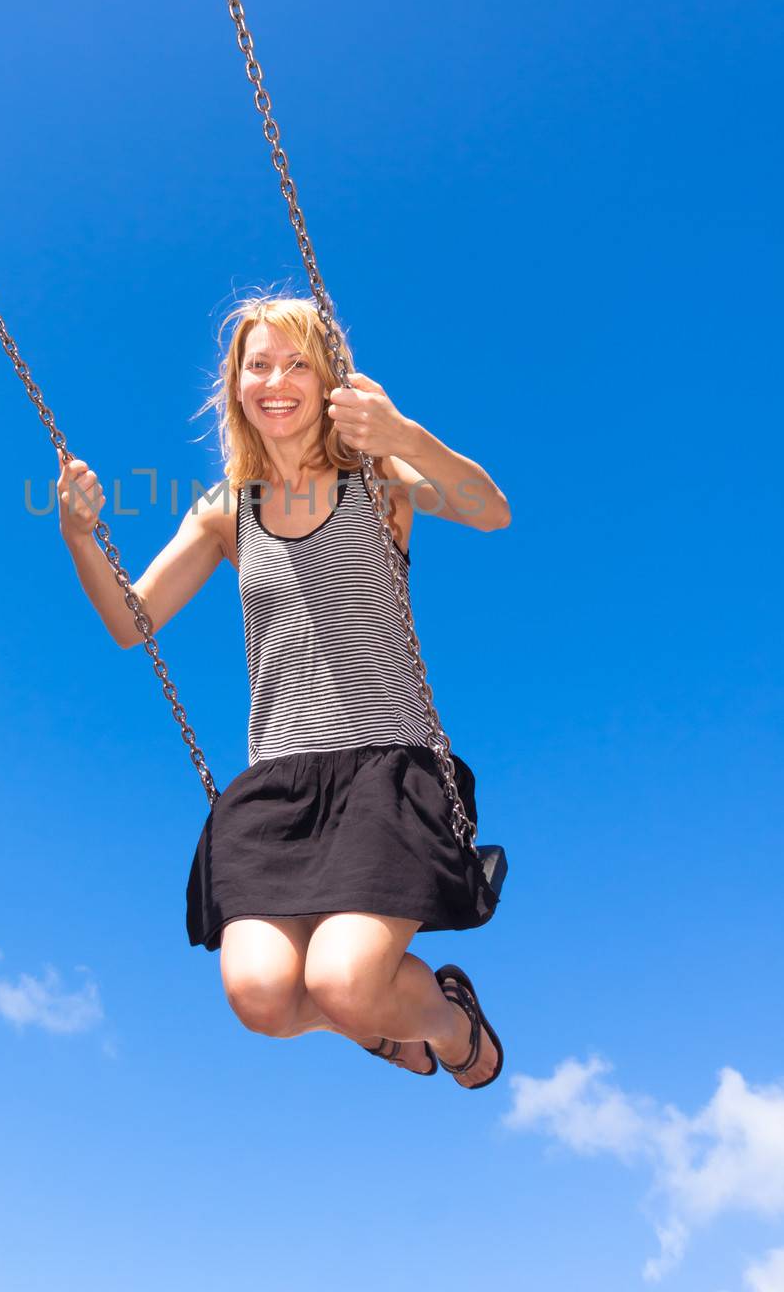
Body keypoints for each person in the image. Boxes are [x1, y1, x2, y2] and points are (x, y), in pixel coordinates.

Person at [57, 293, 510, 1088]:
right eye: (257, 365)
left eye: (297, 362)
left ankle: (446, 1021)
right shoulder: (225, 510)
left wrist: (403, 435)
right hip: (277, 783)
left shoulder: (379, 479)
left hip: (384, 772)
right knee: (262, 997)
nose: (276, 381)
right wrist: (79, 537)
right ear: (234, 386)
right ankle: (372, 1027)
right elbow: (133, 623)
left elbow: (490, 511)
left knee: (343, 979)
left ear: (330, 378)